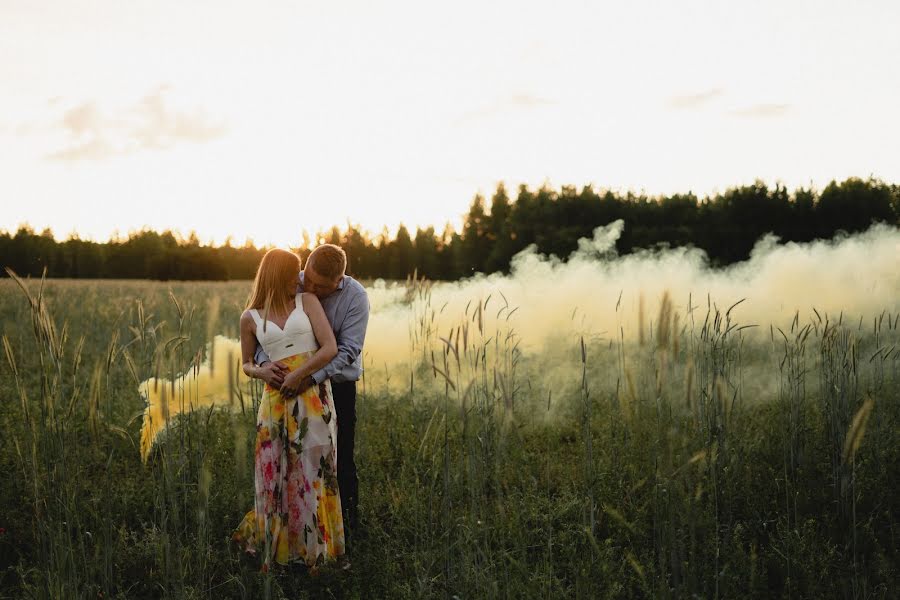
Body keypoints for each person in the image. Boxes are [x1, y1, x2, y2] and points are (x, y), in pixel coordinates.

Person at [232, 248, 345, 570]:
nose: (298, 282)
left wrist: (299, 374)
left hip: (311, 395)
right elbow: (246, 364)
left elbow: (330, 348)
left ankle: (315, 548)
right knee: (276, 467)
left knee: (314, 468)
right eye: (291, 276)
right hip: (275, 398)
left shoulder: (306, 302)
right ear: (276, 277)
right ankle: (283, 549)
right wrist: (262, 372)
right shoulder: (250, 317)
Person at [254, 243, 369, 538]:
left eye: (322, 286)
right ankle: (294, 529)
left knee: (338, 457)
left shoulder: (355, 298)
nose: (312, 289)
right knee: (290, 458)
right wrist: (264, 366)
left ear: (338, 281)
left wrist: (311, 377)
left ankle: (346, 529)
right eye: (309, 281)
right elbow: (263, 331)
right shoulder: (294, 281)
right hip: (287, 387)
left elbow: (348, 351)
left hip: (337, 387)